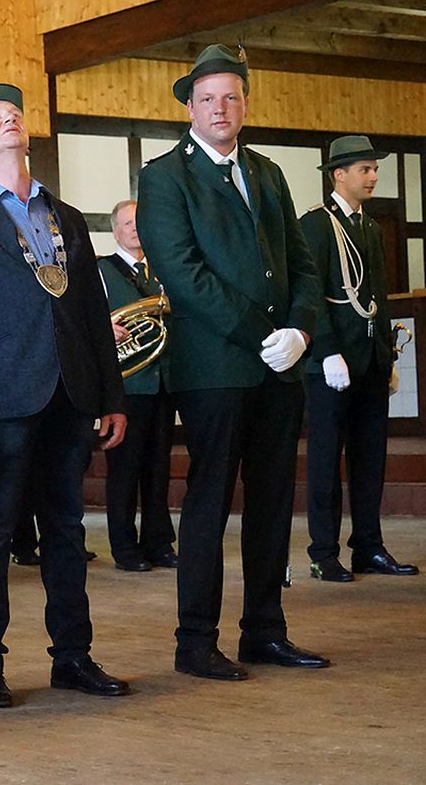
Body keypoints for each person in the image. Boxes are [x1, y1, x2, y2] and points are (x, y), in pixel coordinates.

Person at [0, 84, 130, 710]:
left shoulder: (64, 214)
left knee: (66, 529)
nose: (8, 117)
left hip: (70, 393)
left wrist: (112, 395)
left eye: (13, 111)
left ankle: (73, 656)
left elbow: (92, 310)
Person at [137, 44, 326, 681]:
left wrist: (300, 329)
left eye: (231, 97)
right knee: (210, 503)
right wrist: (263, 333)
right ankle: (195, 643)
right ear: (189, 107)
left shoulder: (268, 171)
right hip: (214, 368)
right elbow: (182, 273)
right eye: (207, 98)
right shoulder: (165, 177)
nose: (220, 108)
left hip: (280, 366)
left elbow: (302, 262)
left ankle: (265, 632)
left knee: (272, 501)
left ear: (246, 104)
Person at [301, 136, 417, 581]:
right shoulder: (316, 225)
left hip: (368, 360)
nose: (372, 177)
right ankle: (323, 552)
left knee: (370, 459)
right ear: (339, 175)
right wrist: (326, 349)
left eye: (374, 170)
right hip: (331, 364)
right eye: (364, 169)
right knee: (325, 460)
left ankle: (368, 546)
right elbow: (310, 294)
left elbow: (377, 298)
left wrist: (387, 356)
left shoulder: (369, 227)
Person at [97, 199, 178, 573]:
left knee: (158, 469)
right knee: (125, 471)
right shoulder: (101, 271)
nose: (134, 229)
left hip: (162, 383)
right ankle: (125, 547)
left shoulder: (162, 270)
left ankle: (159, 543)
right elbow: (85, 318)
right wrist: (103, 328)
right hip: (126, 386)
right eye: (127, 223)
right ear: (115, 231)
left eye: (139, 222)